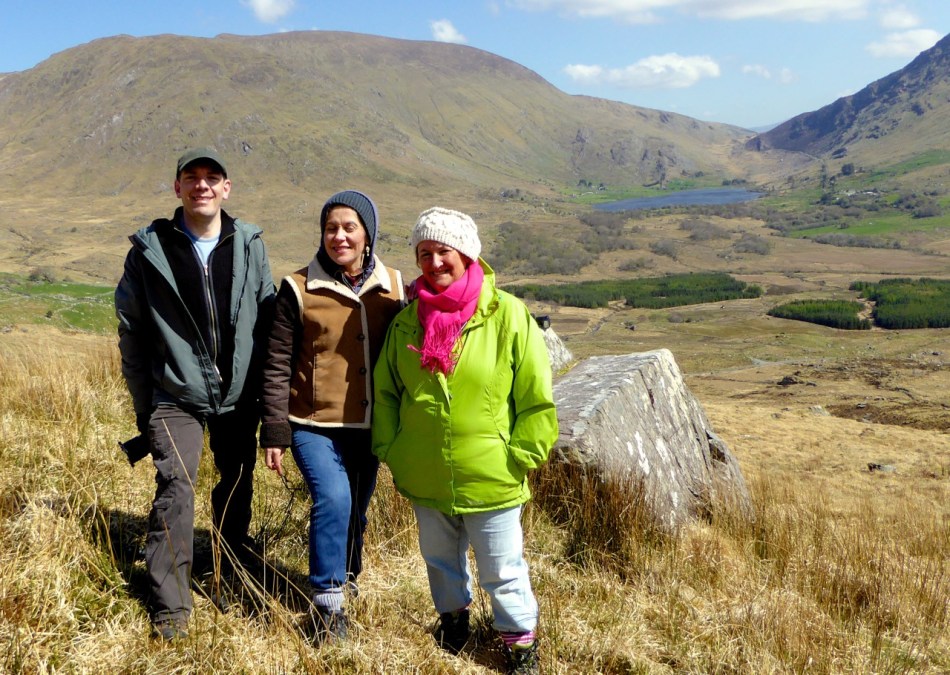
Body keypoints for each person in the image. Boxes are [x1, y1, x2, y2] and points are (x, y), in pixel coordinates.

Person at [372, 207, 558, 674]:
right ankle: (453, 622)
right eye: (424, 253)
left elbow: (536, 398)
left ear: (467, 254)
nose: (433, 263)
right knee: (439, 560)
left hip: (493, 473)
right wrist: (394, 450)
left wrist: (521, 456)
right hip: (425, 471)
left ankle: (519, 646)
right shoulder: (407, 323)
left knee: (503, 570)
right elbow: (387, 394)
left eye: (443, 252)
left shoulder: (508, 315)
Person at [114, 147, 276, 641]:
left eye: (212, 178)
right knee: (176, 488)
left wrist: (270, 407)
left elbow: (268, 321)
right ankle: (171, 607)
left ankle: (231, 573)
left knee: (238, 481)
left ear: (227, 189)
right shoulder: (150, 250)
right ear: (177, 188)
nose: (202, 185)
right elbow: (132, 332)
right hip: (174, 393)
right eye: (191, 177)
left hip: (238, 393)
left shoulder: (249, 244)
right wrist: (147, 407)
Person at [260, 190, 405, 642]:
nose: (339, 236)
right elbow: (276, 362)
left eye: (349, 227)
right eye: (330, 228)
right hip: (312, 425)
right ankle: (326, 605)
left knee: (356, 515)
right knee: (335, 502)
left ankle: (348, 578)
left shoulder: (396, 288)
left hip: (370, 427)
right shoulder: (298, 288)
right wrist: (275, 430)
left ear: (368, 235)